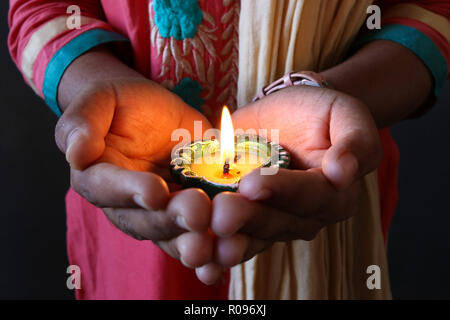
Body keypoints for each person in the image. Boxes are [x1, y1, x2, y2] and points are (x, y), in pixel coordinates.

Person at [8, 0, 449, 299]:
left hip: (325, 172)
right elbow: (42, 9)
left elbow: (431, 9)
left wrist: (338, 95)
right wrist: (98, 86)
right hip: (132, 189)